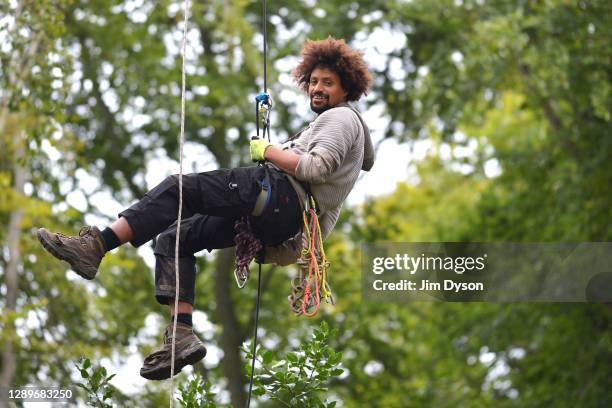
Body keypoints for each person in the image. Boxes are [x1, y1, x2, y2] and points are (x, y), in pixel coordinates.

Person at [37, 36, 374, 380]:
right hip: (279, 214)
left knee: (178, 188)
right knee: (173, 238)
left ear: (347, 88)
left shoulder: (340, 120)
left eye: (328, 83)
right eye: (314, 81)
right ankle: (181, 335)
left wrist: (268, 151)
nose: (317, 88)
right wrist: (288, 249)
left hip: (277, 195)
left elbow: (315, 167)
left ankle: (95, 245)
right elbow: (327, 211)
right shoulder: (338, 125)